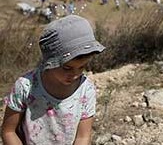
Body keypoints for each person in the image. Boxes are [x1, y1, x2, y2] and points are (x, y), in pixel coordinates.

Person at [1, 15, 105, 145]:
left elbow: (83, 137)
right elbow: (9, 131)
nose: (75, 74)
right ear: (51, 62)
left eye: (82, 67)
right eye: (67, 68)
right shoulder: (26, 86)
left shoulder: (85, 89)